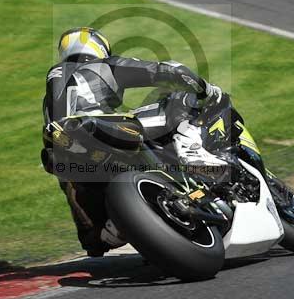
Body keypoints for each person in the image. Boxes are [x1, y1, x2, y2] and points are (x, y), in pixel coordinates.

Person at [42, 27, 225, 256]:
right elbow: (165, 71)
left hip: (68, 158)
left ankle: (114, 228)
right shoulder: (103, 66)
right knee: (179, 99)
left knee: (92, 235)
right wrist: (206, 89)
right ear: (99, 47)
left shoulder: (54, 80)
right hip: (102, 129)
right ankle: (193, 153)